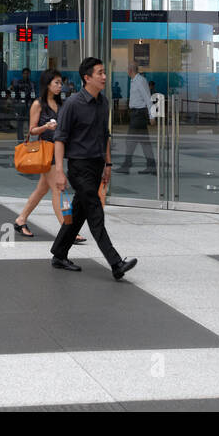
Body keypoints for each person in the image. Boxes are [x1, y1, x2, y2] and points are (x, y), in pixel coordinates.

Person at [48, 57, 137, 280]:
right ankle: (116, 263)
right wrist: (59, 171)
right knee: (95, 212)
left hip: (97, 165)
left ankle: (59, 253)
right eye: (99, 73)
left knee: (78, 213)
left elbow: (104, 136)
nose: (104, 77)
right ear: (87, 78)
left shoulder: (103, 102)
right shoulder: (72, 104)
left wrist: (108, 164)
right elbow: (60, 138)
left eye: (104, 72)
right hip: (79, 167)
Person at [11, 69, 84, 243]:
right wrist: (46, 127)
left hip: (58, 150)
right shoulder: (38, 104)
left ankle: (21, 220)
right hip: (46, 152)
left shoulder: (61, 104)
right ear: (48, 84)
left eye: (61, 83)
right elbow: (32, 130)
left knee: (42, 189)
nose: (60, 86)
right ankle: (67, 230)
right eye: (56, 83)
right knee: (59, 189)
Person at [117, 62, 156, 176]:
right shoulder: (134, 81)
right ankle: (151, 166)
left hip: (139, 115)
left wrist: (151, 116)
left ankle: (126, 166)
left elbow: (147, 98)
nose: (126, 71)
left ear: (130, 70)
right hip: (136, 114)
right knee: (144, 142)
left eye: (127, 69)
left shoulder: (139, 81)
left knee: (130, 141)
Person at [10, 67, 34, 140]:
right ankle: (20, 139)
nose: (26, 75)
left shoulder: (31, 83)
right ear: (22, 74)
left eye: (27, 73)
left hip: (28, 104)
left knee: (30, 122)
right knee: (20, 122)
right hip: (20, 104)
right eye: (24, 73)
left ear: (29, 74)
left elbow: (32, 93)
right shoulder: (19, 82)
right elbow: (14, 91)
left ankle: (30, 139)